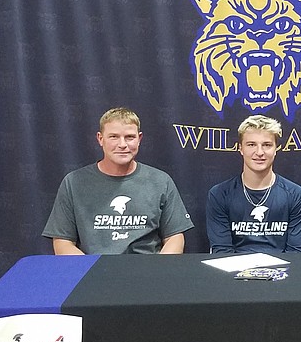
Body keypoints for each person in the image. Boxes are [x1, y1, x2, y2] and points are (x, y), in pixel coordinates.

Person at [43, 107, 192, 255]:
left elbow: (174, 237)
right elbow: (63, 242)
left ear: (139, 139)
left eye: (129, 137)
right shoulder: (73, 182)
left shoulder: (161, 181)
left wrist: (157, 272)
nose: (122, 144)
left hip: (147, 272)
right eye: (114, 137)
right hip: (94, 272)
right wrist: (90, 272)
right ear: (100, 139)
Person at [206, 115, 301, 253]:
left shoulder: (295, 195)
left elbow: (296, 253)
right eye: (251, 145)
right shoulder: (219, 194)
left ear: (276, 149)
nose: (259, 152)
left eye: (267, 145)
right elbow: (222, 251)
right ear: (240, 148)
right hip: (234, 273)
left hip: (283, 273)